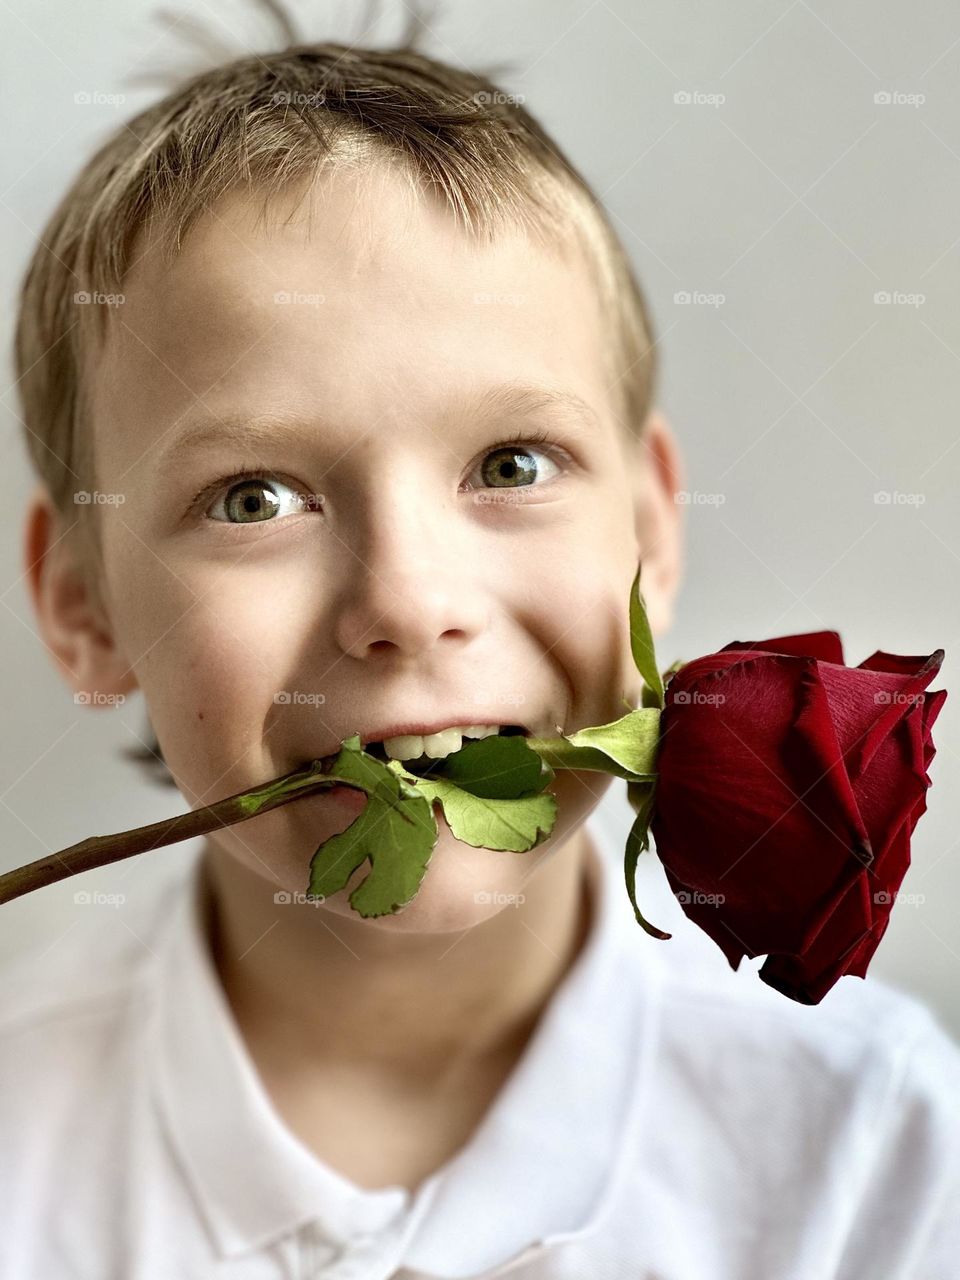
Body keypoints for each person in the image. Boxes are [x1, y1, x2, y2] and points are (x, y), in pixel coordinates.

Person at [4, 6, 958, 1276]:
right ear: (82, 606)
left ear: (654, 527)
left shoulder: (872, 1146)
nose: (407, 599)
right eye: (254, 497)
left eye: (512, 463)